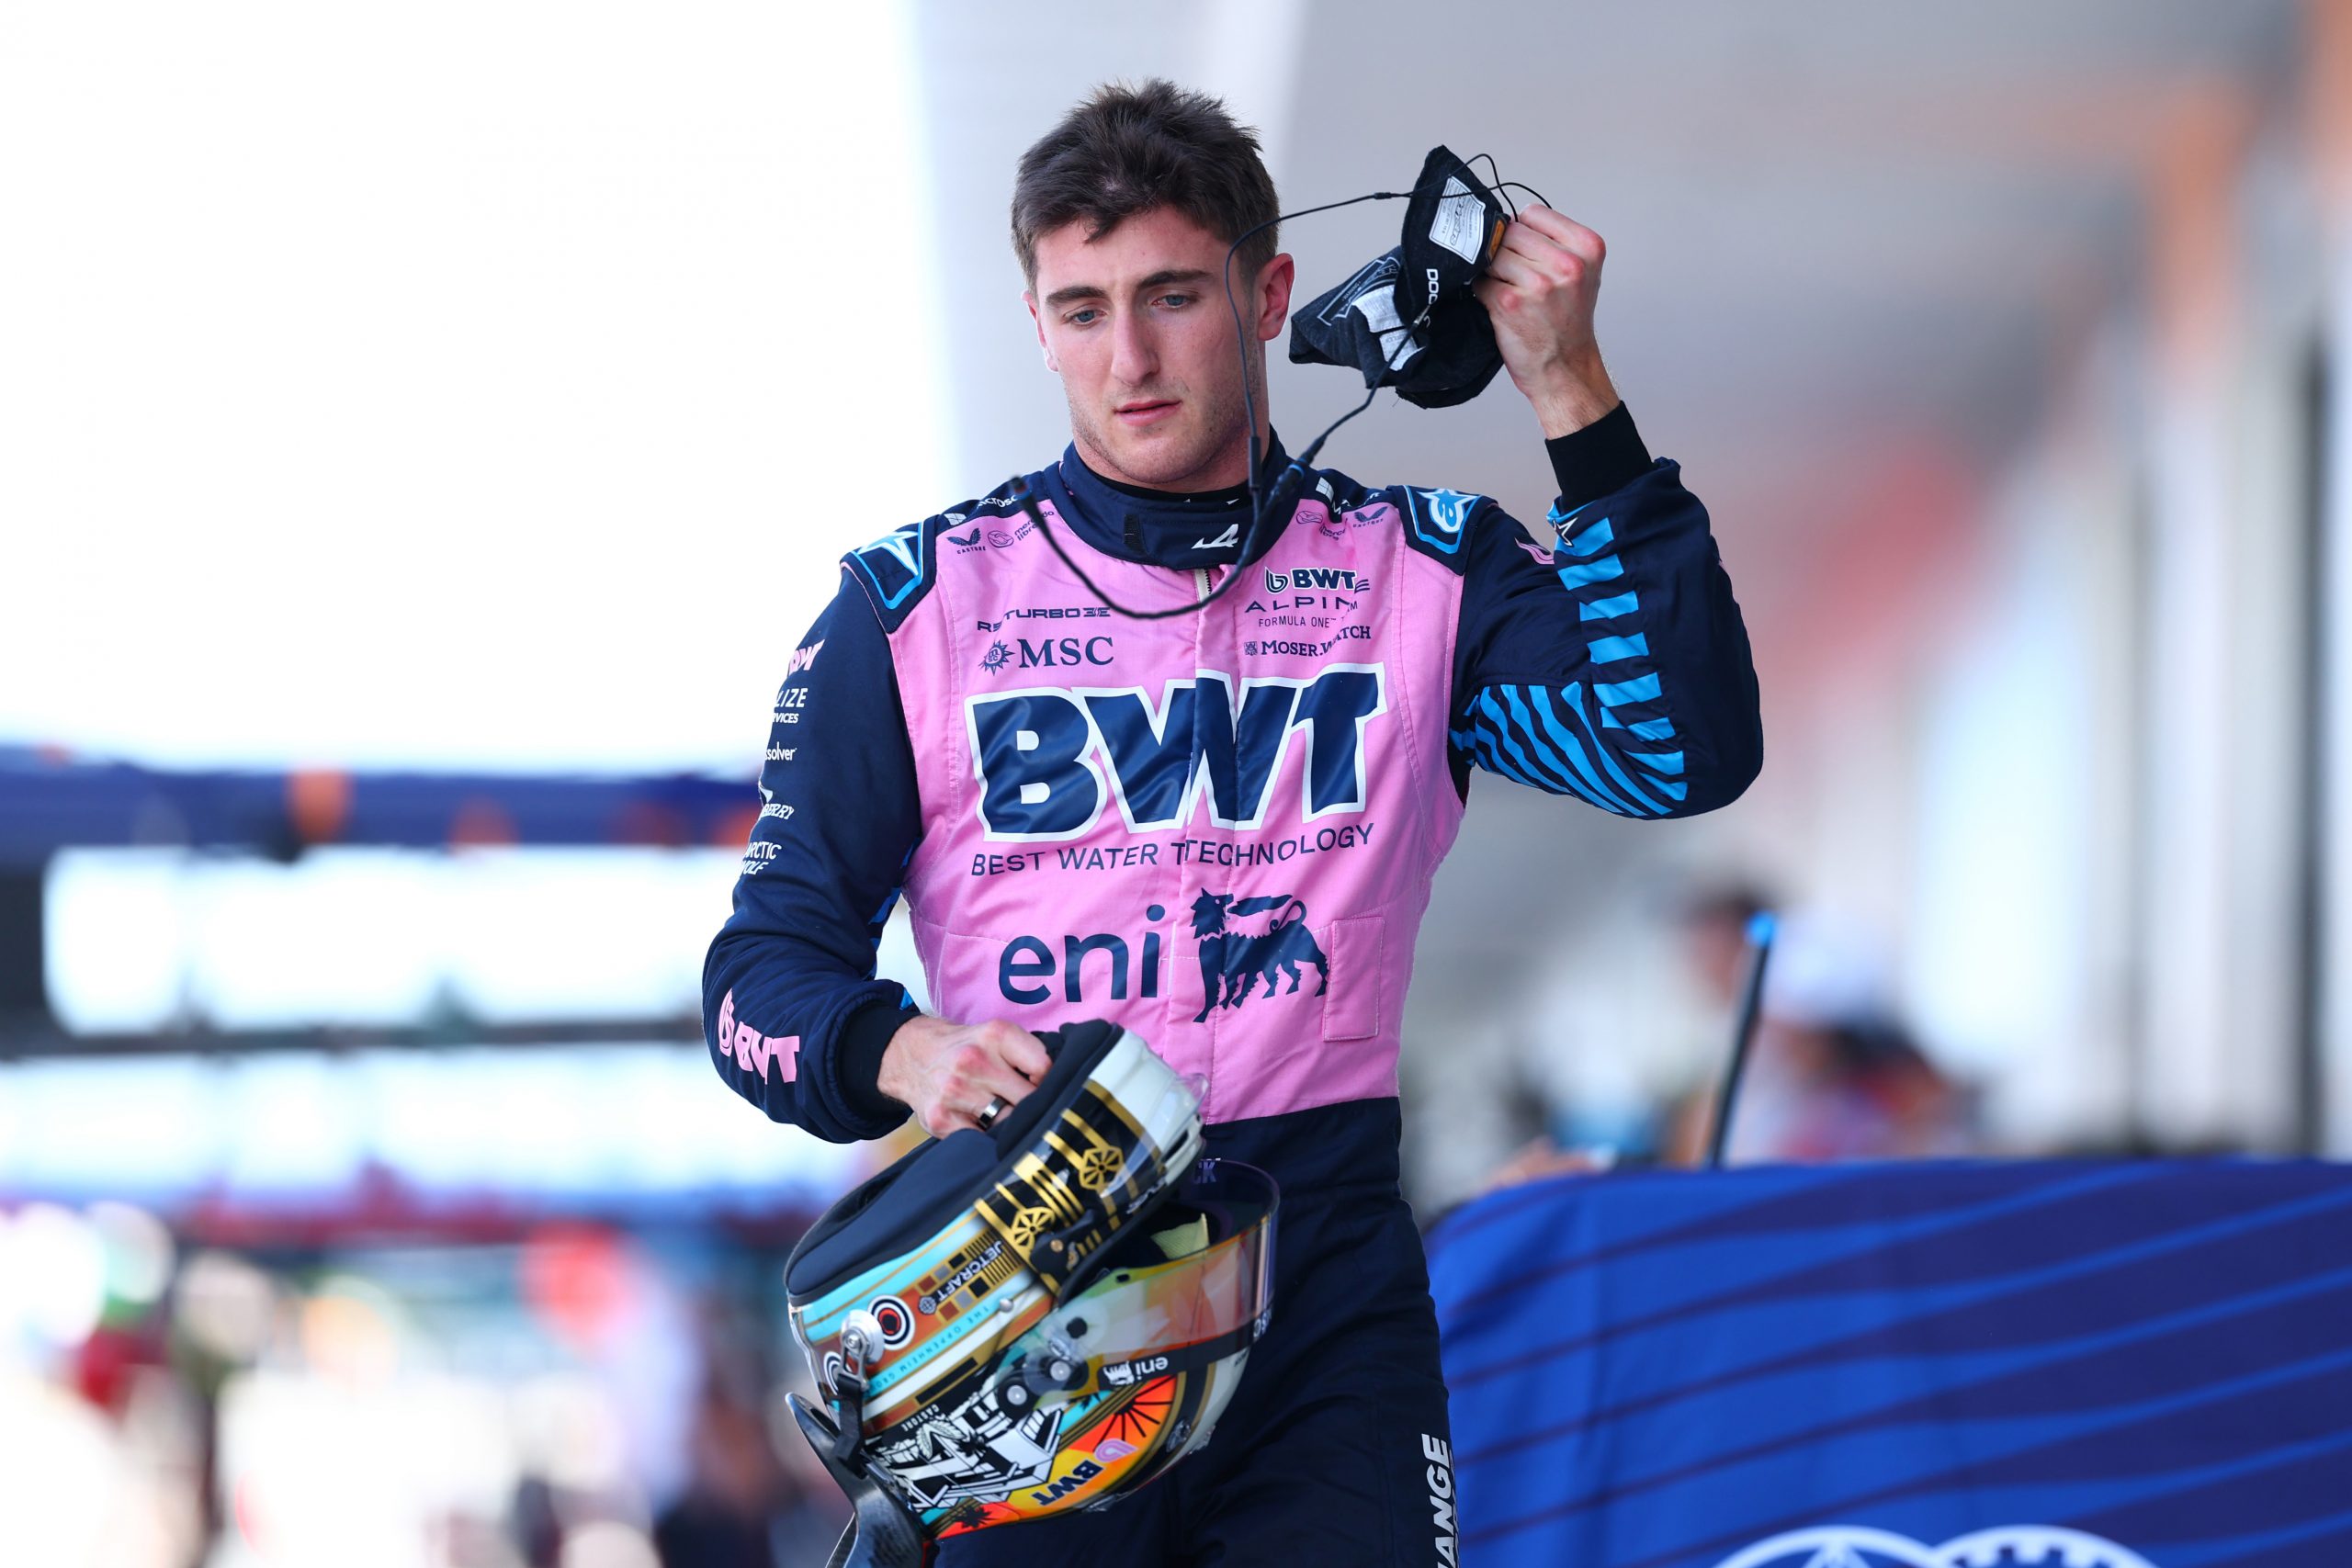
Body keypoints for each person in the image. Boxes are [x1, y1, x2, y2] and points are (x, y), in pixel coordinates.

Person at [703, 79, 1762, 1565]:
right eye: (1080, 310)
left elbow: (1686, 749)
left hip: (1325, 1283)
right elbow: (757, 976)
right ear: (1035, 320)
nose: (1126, 358)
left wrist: (1573, 396)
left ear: (1268, 294)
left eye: (1171, 296)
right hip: (1028, 1290)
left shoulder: (1426, 571)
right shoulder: (912, 608)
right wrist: (902, 1051)